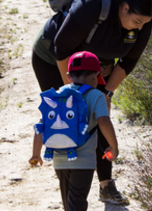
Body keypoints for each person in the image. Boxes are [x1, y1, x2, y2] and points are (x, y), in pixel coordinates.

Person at [31, 0, 152, 205]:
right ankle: (70, 190)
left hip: (93, 68)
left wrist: (106, 94)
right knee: (67, 117)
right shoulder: (93, 5)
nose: (139, 27)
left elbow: (128, 62)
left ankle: (106, 186)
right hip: (53, 58)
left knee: (98, 118)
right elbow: (61, 47)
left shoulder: (142, 21)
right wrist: (71, 92)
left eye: (144, 23)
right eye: (137, 21)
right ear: (125, 7)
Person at [30, 51, 119, 211]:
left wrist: (36, 154)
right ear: (96, 76)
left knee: (69, 203)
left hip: (59, 160)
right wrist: (113, 146)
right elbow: (104, 121)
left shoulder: (57, 95)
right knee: (77, 202)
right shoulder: (96, 95)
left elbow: (41, 126)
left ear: (69, 76)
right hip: (83, 161)